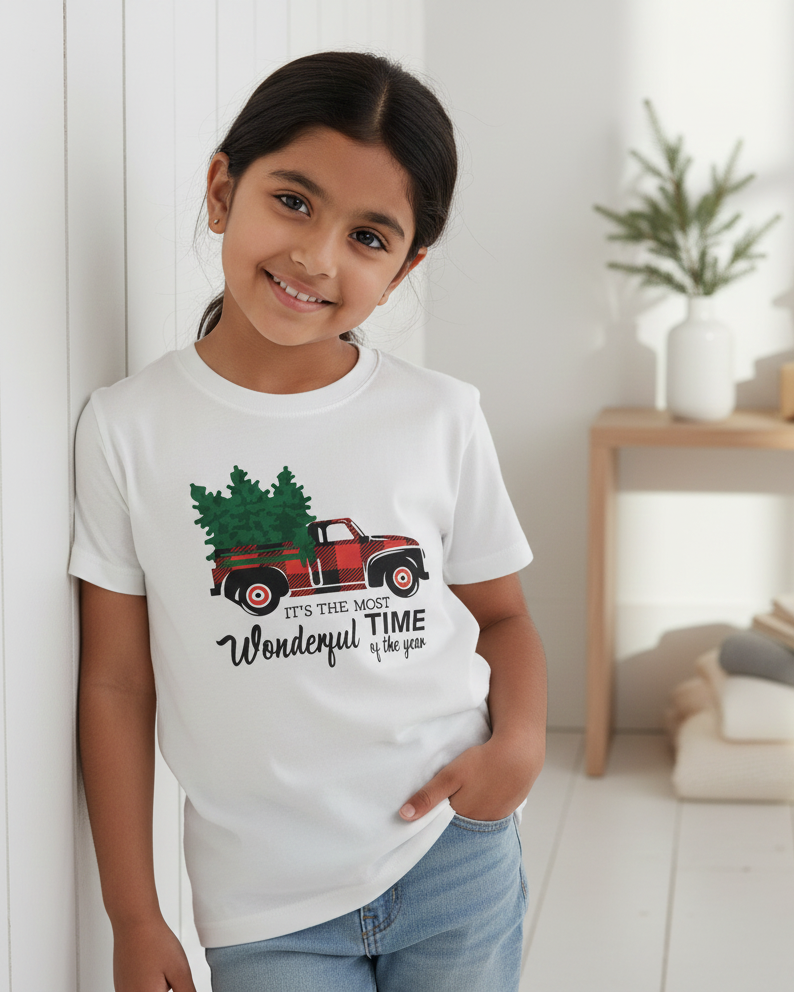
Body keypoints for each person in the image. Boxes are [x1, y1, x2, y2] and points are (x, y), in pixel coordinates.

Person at [71, 51, 547, 992]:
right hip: (266, 910)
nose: (317, 257)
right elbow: (120, 685)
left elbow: (503, 617)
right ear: (222, 190)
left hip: (453, 855)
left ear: (406, 267)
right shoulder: (127, 429)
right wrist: (133, 913)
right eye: (294, 202)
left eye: (369, 237)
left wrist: (520, 745)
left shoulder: (440, 415)